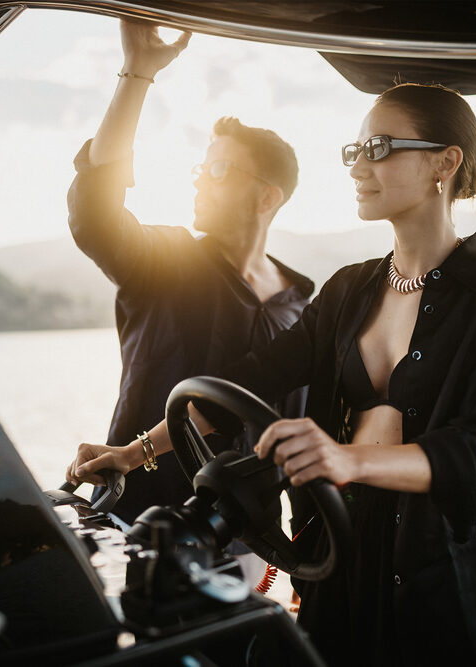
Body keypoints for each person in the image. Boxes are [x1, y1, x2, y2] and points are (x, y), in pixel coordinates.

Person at [68, 82, 476, 665]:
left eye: (378, 148)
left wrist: (346, 458)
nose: (357, 167)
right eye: (353, 152)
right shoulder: (347, 289)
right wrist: (134, 452)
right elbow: (250, 382)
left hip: (445, 566)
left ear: (445, 162)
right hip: (336, 552)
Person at [66, 20, 314, 525]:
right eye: (202, 166)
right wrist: (136, 73)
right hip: (137, 518)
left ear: (267, 197)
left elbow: (305, 432)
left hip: (252, 537)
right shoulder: (167, 260)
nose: (201, 179)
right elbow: (95, 212)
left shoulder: (302, 307)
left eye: (219, 169)